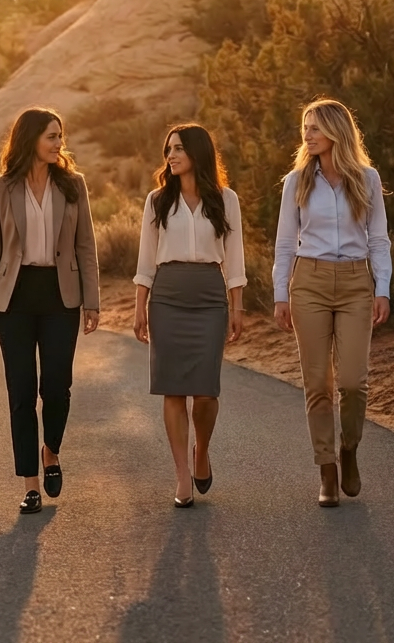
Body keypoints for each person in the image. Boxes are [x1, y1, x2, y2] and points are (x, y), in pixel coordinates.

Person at [0, 107, 100, 514]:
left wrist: (92, 301)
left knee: (57, 388)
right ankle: (30, 484)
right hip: (13, 297)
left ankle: (52, 452)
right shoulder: (1, 187)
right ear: (30, 139)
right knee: (21, 394)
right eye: (51, 136)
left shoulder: (72, 185)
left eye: (60, 136)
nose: (58, 143)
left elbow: (86, 246)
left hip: (60, 294)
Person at [272, 99, 391, 507]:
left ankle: (349, 449)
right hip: (310, 282)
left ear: (336, 131)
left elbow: (379, 238)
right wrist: (280, 293)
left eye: (315, 127)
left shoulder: (367, 178)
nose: (307, 134)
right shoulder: (297, 181)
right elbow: (285, 242)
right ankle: (326, 470)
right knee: (317, 383)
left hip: (358, 281)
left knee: (354, 382)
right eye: (305, 127)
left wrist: (382, 288)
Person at [133, 124, 245, 508]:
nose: (171, 156)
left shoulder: (225, 199)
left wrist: (237, 306)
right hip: (167, 296)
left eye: (178, 148)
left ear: (198, 152)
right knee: (173, 387)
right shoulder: (157, 200)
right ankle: (182, 473)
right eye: (168, 150)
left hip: (210, 296)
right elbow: (146, 258)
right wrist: (139, 307)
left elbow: (235, 257)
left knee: (206, 390)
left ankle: (202, 450)